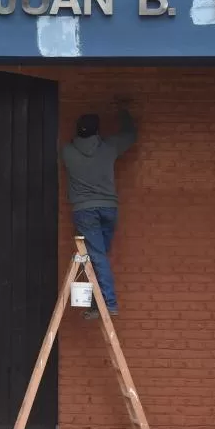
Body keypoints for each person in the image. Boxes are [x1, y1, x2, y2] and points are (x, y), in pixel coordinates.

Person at [61, 98, 138, 320]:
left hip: (85, 211)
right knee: (99, 256)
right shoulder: (108, 147)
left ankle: (109, 303)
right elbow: (131, 135)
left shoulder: (67, 152)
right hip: (109, 209)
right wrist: (123, 113)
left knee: (97, 256)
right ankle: (98, 303)